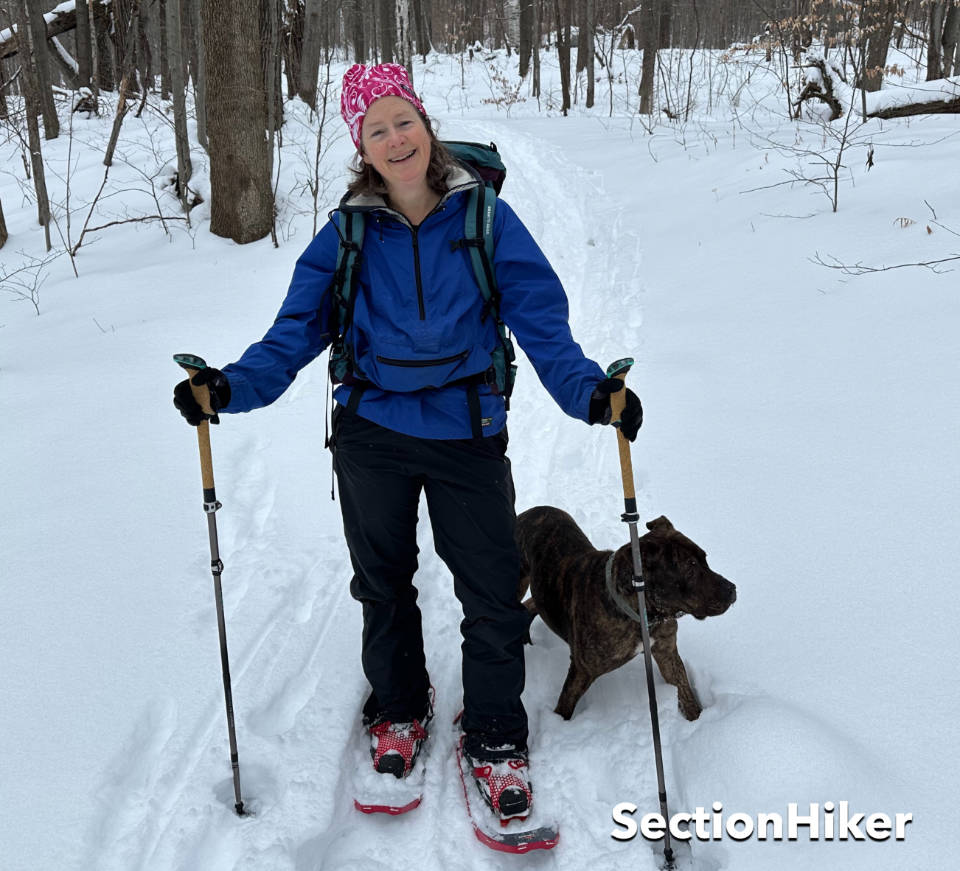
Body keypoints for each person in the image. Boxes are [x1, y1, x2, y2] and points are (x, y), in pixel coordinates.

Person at [174, 62, 643, 823]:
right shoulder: (349, 232)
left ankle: (494, 734)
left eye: (404, 121)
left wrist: (592, 392)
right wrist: (229, 386)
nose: (395, 139)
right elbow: (294, 331)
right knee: (383, 581)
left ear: (426, 125)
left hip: (467, 430)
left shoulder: (485, 218)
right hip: (372, 433)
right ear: (360, 144)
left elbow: (542, 323)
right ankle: (399, 705)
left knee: (492, 590)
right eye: (375, 128)